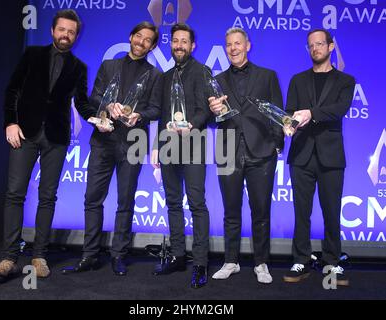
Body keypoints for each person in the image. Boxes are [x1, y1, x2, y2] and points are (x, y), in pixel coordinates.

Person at [0, 10, 96, 279]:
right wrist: (10, 123)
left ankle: (39, 256)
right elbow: (12, 90)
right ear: (52, 31)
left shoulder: (79, 67)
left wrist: (96, 116)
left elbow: (82, 102)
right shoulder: (32, 55)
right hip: (24, 132)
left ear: (76, 36)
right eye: (62, 30)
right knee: (15, 194)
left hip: (57, 138)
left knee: (48, 198)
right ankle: (9, 257)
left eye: (71, 32)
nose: (66, 35)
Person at [62, 22, 161, 276]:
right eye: (138, 36)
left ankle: (119, 255)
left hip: (133, 144)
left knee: (125, 201)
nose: (141, 42)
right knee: (92, 199)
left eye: (147, 40)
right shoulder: (109, 66)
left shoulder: (155, 75)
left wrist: (139, 115)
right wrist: (108, 106)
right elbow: (94, 98)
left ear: (152, 46)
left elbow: (156, 110)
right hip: (103, 141)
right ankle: (90, 255)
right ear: (130, 37)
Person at [208, 28, 283, 284]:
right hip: (228, 151)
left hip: (262, 152)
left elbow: (277, 113)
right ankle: (231, 261)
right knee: (231, 210)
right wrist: (212, 110)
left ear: (248, 46)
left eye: (237, 43)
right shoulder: (215, 79)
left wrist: (277, 145)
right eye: (228, 44)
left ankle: (261, 263)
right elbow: (212, 119)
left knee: (260, 211)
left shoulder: (267, 76)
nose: (233, 48)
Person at [282, 29, 355, 286]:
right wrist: (287, 124)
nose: (316, 48)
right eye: (311, 45)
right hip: (301, 155)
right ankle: (300, 259)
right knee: (301, 212)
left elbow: (339, 110)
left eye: (320, 44)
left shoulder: (346, 81)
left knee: (331, 211)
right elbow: (290, 112)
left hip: (331, 157)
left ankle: (332, 262)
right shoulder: (297, 80)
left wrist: (311, 113)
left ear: (331, 46)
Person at [150, 23, 212, 288]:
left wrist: (190, 126)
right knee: (173, 203)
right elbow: (163, 115)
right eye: (175, 41)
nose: (179, 45)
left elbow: (205, 109)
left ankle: (200, 262)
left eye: (184, 41)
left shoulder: (202, 71)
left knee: (197, 204)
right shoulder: (164, 77)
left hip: (194, 146)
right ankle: (177, 255)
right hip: (167, 148)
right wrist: (155, 145)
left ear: (192, 45)